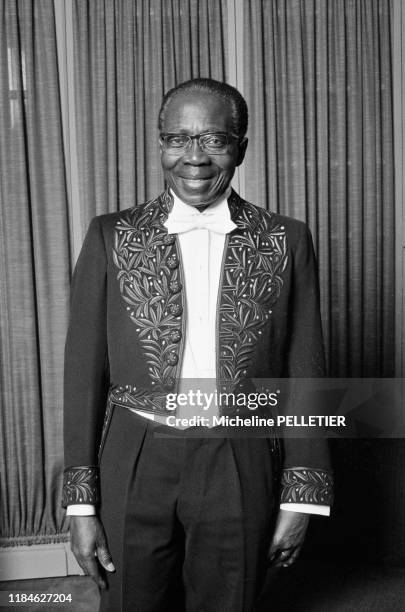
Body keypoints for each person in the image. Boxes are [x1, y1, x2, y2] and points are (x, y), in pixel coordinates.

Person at [62, 78, 333, 611]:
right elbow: (81, 374)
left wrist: (305, 495)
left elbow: (307, 376)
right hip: (134, 454)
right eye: (177, 139)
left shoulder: (286, 240)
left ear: (241, 148)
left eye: (214, 139)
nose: (194, 157)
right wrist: (81, 504)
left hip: (240, 451)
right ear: (160, 144)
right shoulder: (110, 235)